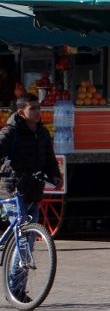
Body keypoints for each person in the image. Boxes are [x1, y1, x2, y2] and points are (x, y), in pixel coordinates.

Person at [0, 93, 63, 224]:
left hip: (34, 189)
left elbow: (49, 158)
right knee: (21, 225)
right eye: (32, 108)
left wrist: (55, 175)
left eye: (38, 107)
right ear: (21, 113)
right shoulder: (10, 132)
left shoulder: (43, 132)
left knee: (31, 229)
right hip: (12, 188)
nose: (37, 111)